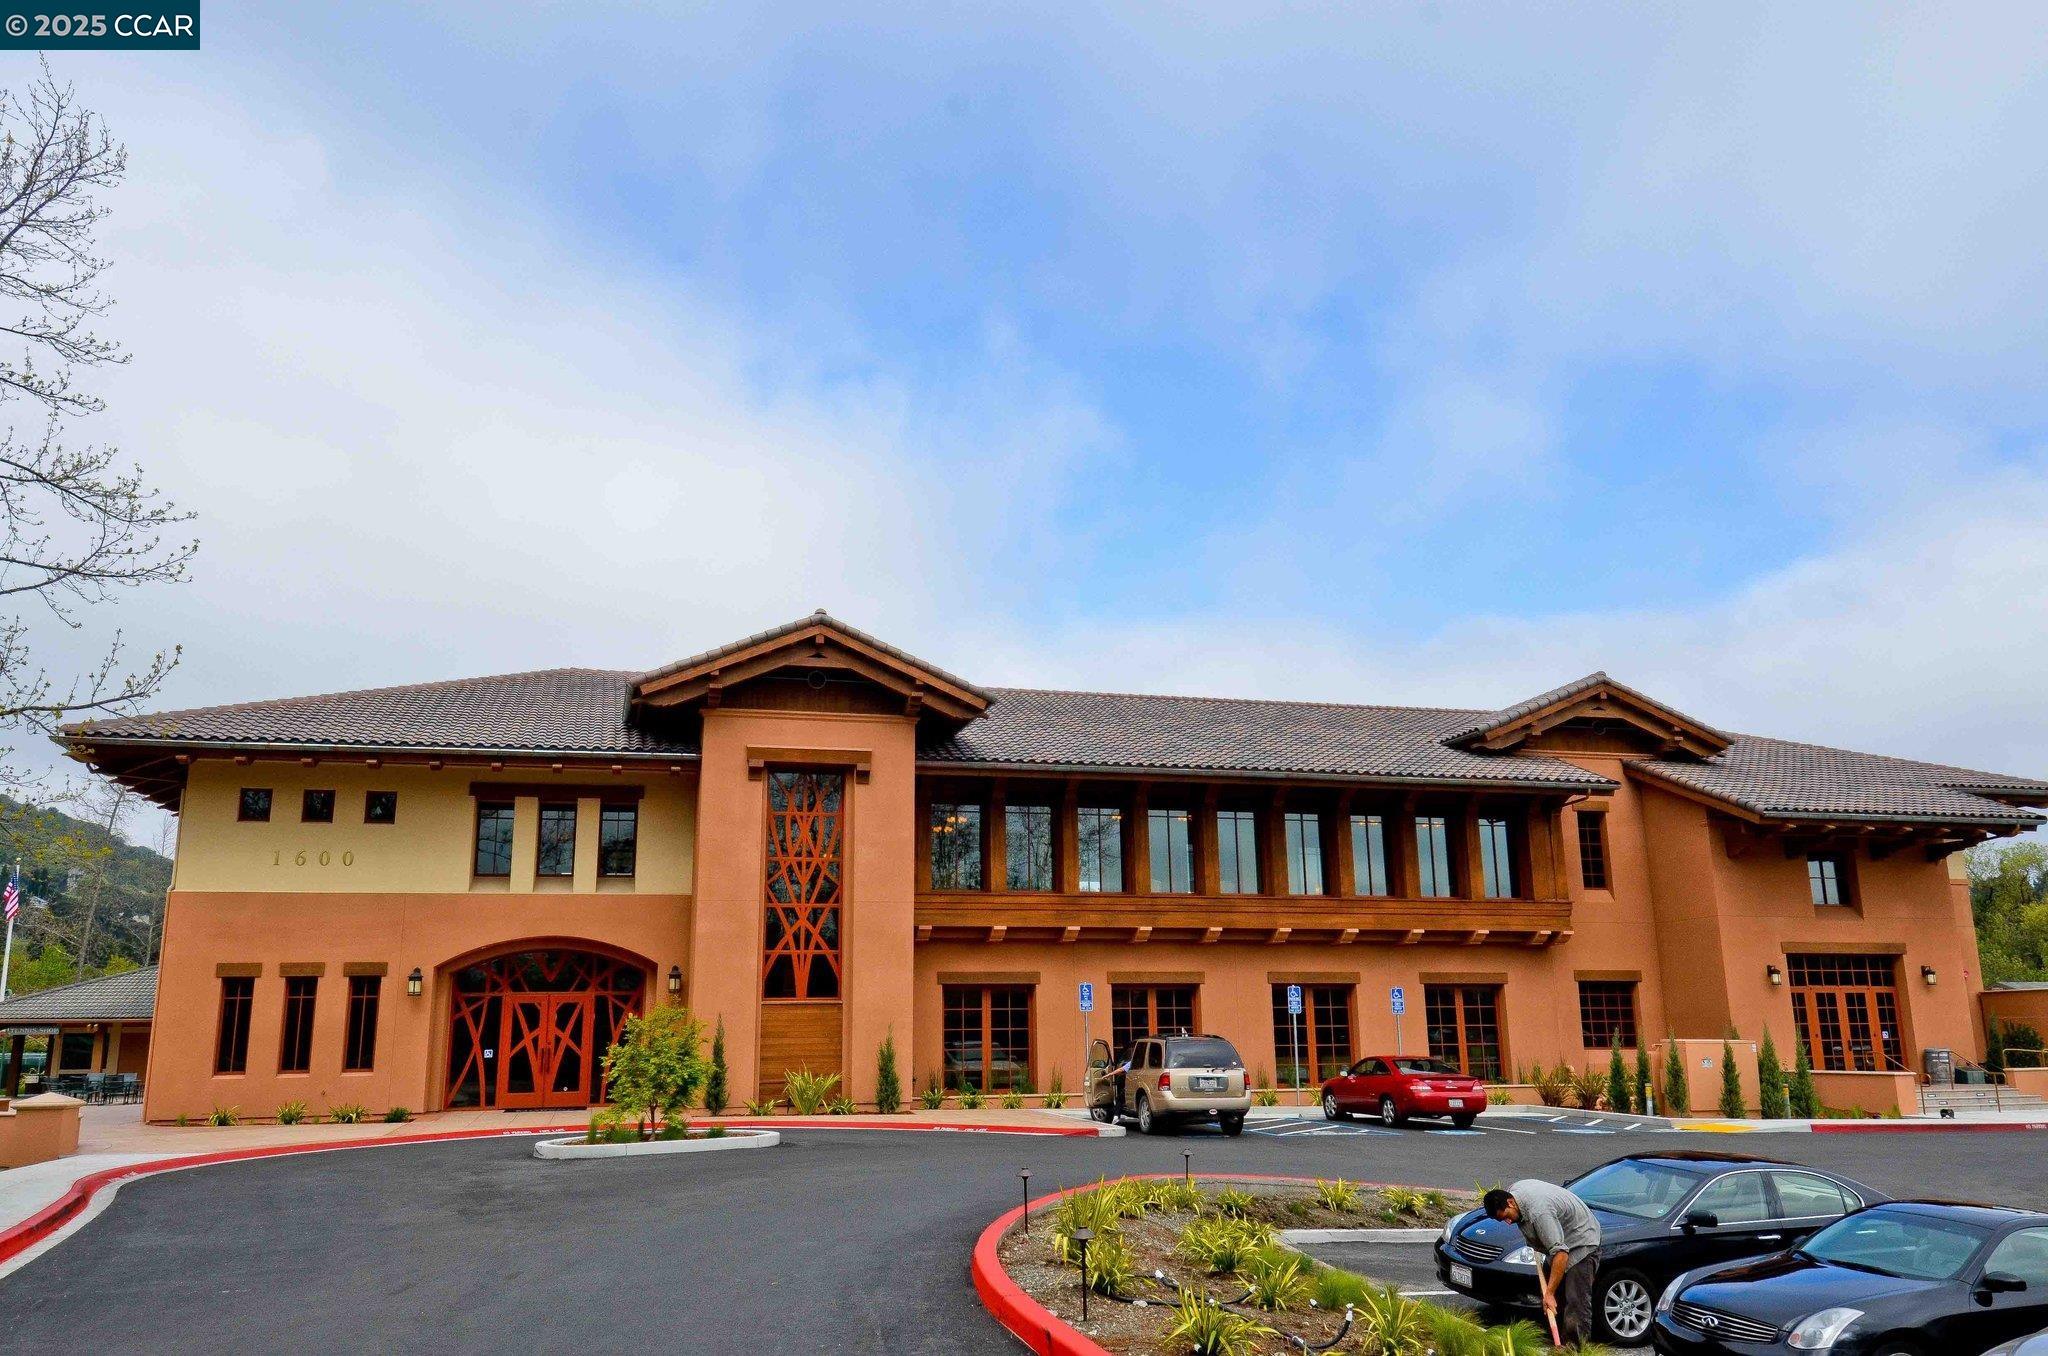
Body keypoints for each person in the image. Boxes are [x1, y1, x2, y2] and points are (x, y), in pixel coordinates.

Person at [1482, 1180, 1602, 1346]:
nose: (1508, 1223)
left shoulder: (1540, 1213)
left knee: (1576, 1301)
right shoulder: (1515, 1193)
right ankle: (1557, 1342)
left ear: (1510, 1202)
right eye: (1503, 1220)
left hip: (1582, 1242)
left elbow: (1560, 1253)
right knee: (1551, 1297)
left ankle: (1574, 1349)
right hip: (1560, 1242)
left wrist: (1550, 1293)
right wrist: (1550, 1293)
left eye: (1507, 1217)